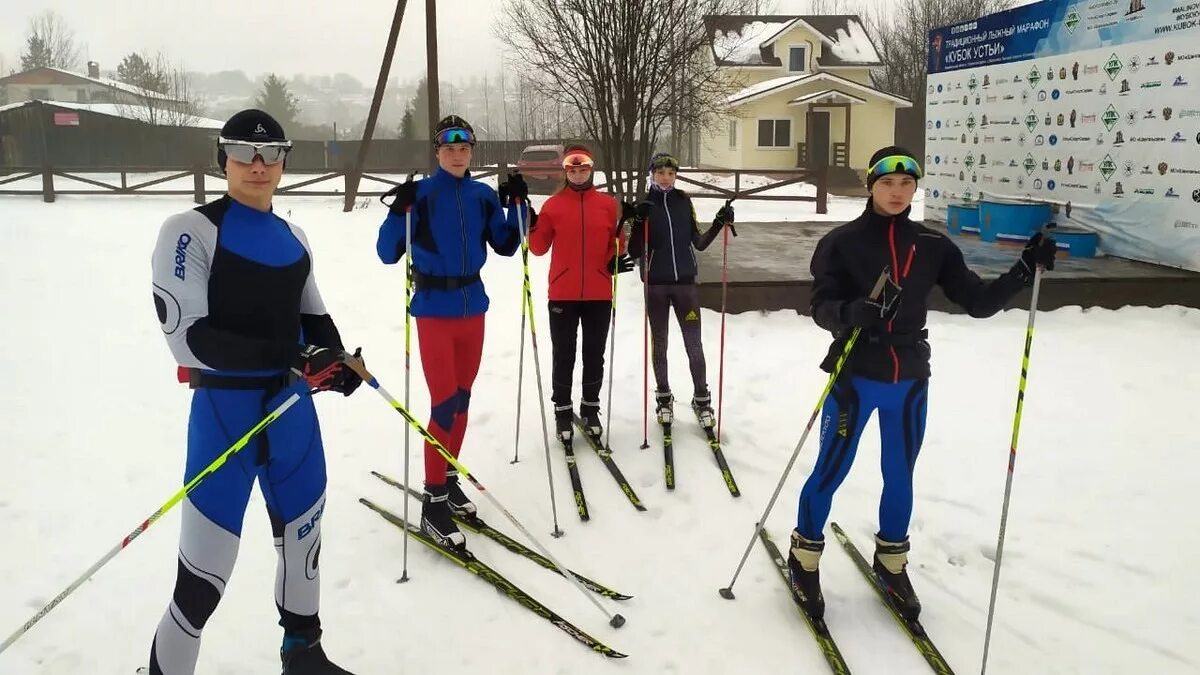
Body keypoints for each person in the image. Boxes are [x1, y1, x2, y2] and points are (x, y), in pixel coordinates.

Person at [786, 146, 1057, 622]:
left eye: (906, 183)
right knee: (831, 470)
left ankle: (892, 563)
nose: (897, 192)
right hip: (855, 374)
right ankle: (804, 558)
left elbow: (977, 301)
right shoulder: (842, 242)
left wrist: (1023, 269)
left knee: (900, 474)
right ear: (871, 186)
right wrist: (853, 314)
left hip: (909, 379)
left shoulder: (933, 246)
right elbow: (821, 306)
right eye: (887, 183)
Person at [148, 109, 362, 675]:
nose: (258, 165)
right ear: (224, 159)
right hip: (226, 416)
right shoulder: (189, 231)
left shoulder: (295, 238)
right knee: (202, 580)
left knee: (304, 544)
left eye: (270, 153)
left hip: (292, 418)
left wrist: (339, 364)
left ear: (285, 160)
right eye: (244, 152)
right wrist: (292, 357)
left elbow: (316, 321)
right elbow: (190, 341)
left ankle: (304, 656)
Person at [375, 115, 526, 549]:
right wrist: (397, 210)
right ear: (437, 152)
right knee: (443, 405)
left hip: (472, 308)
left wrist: (518, 206)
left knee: (462, 401)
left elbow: (506, 244)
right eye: (448, 146)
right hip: (434, 312)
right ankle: (433, 503)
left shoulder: (481, 196)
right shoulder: (421, 195)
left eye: (464, 147)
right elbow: (387, 253)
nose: (457, 153)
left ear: (471, 152)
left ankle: (448, 475)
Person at [526, 144, 632, 442]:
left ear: (591, 169)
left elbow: (619, 244)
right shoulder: (553, 206)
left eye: (583, 168)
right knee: (564, 354)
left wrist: (619, 248)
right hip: (563, 293)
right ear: (565, 171)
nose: (578, 173)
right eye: (572, 169)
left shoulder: (608, 205)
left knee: (594, 354)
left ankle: (590, 408)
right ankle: (562, 411)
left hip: (599, 291)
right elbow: (538, 248)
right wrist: (533, 223)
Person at [626, 152, 735, 429]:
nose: (666, 177)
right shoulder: (645, 204)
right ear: (652, 174)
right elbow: (634, 250)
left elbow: (698, 242)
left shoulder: (684, 202)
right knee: (660, 343)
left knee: (694, 345)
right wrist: (638, 222)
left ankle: (702, 398)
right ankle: (664, 397)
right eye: (661, 172)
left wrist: (719, 223)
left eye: (671, 173)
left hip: (685, 285)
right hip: (656, 286)